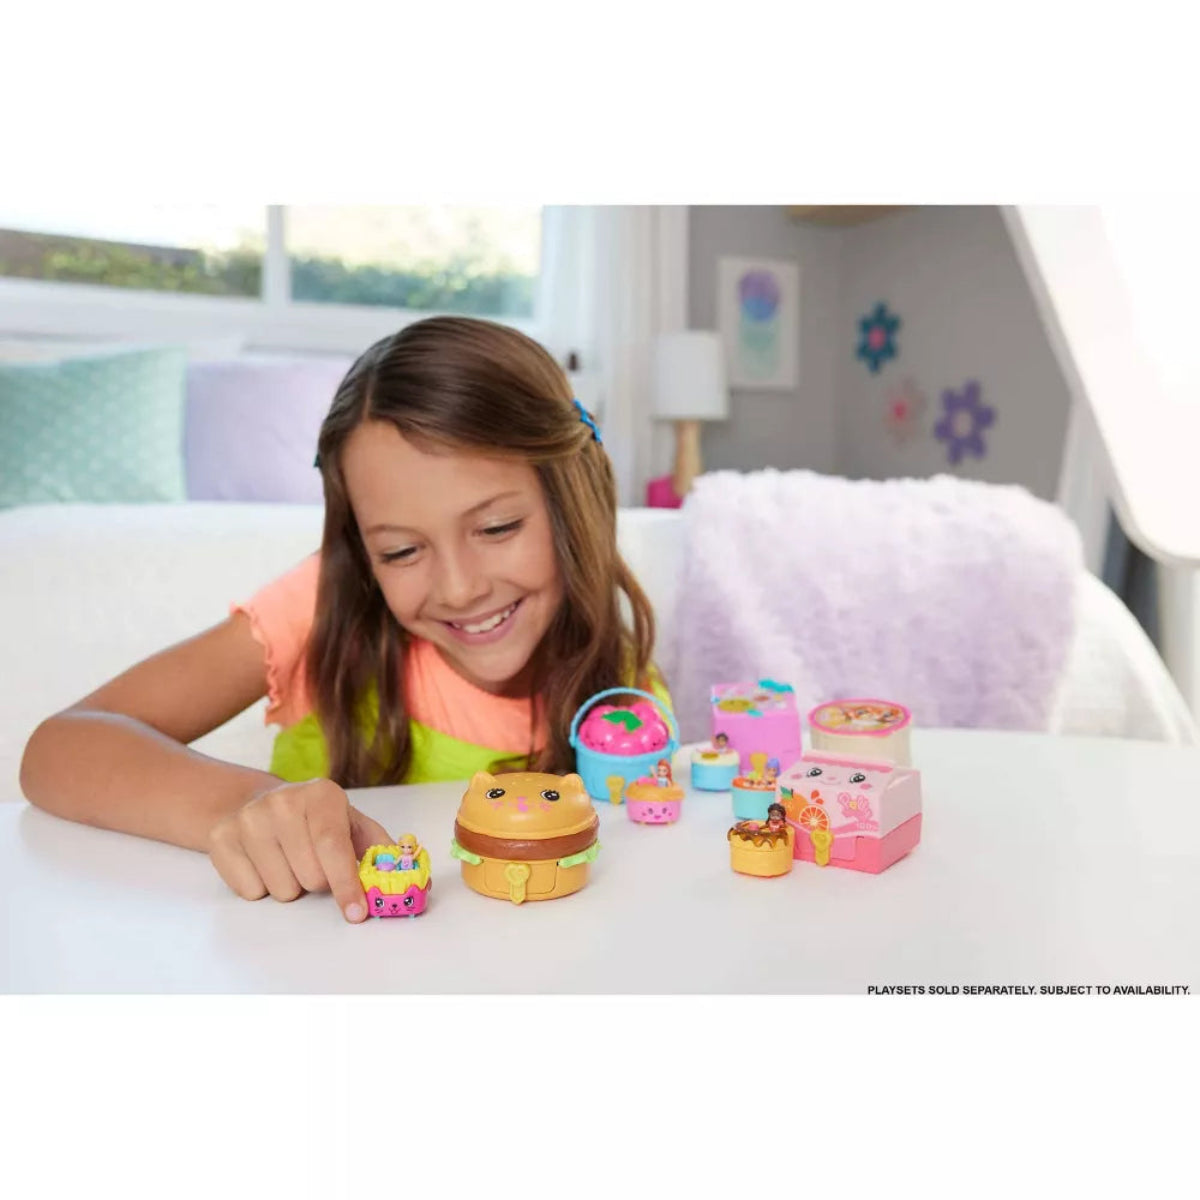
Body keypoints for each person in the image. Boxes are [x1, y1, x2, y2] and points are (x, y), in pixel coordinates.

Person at [20, 316, 669, 923]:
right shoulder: (327, 607)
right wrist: (247, 806)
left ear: (572, 497)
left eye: (497, 527)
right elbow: (60, 747)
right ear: (361, 548)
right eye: (401, 551)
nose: (460, 587)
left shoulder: (621, 682)